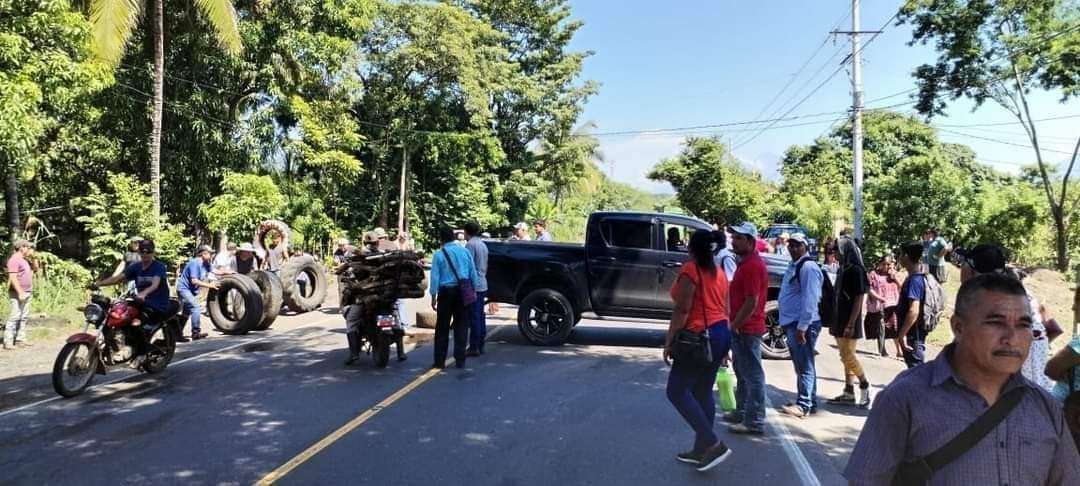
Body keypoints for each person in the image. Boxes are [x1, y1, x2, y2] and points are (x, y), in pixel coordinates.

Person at [844, 273, 1080, 485]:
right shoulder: (905, 399)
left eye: (1023, 325)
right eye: (995, 322)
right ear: (958, 327)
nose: (1012, 338)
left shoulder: (1044, 409)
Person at [663, 230, 733, 471]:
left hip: (699, 336)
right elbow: (726, 309)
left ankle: (713, 443)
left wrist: (669, 341)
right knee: (702, 391)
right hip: (720, 333)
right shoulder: (721, 274)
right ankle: (701, 448)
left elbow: (682, 310)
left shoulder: (691, 271)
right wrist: (725, 344)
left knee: (676, 391)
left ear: (692, 248)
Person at [956, 244, 1056, 392]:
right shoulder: (1019, 294)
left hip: (1017, 397)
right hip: (1037, 391)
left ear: (970, 270)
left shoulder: (984, 304)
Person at [723, 222, 769, 435]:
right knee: (742, 373)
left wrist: (735, 325)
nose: (734, 240)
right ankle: (742, 411)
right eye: (734, 237)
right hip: (743, 327)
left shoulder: (751, 266)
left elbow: (751, 302)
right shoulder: (746, 263)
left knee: (752, 375)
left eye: (739, 238)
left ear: (750, 241)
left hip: (748, 328)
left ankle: (755, 420)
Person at [777, 233, 823, 418]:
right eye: (791, 245)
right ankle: (808, 401)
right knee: (803, 364)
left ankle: (804, 404)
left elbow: (811, 299)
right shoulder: (795, 265)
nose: (793, 248)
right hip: (794, 322)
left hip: (803, 324)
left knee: (804, 365)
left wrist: (802, 327)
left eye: (798, 245)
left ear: (805, 246)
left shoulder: (808, 267)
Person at [828, 235, 872, 407]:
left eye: (837, 251)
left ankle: (864, 384)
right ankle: (848, 391)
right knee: (844, 355)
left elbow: (859, 297)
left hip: (849, 319)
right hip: (840, 317)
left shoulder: (856, 270)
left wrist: (851, 323)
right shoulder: (843, 268)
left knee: (848, 355)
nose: (835, 255)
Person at [429, 225, 478, 369]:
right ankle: (460, 360)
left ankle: (439, 361)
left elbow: (435, 278)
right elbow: (472, 273)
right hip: (462, 292)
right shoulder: (465, 252)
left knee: (442, 328)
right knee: (461, 326)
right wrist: (473, 290)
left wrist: (433, 296)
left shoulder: (439, 254)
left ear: (441, 239)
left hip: (446, 293)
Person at [94, 239, 173, 325]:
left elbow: (155, 285)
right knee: (118, 316)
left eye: (148, 251)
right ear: (139, 252)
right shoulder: (135, 267)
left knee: (136, 323)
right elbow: (116, 279)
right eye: (143, 251)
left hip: (157, 304)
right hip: (140, 303)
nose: (145, 254)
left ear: (153, 252)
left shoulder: (159, 267)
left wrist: (144, 293)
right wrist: (98, 284)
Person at [895, 242, 930, 368]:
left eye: (900, 254)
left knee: (917, 374)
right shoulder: (916, 278)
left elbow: (914, 310)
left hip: (913, 336)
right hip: (913, 335)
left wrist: (902, 334)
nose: (898, 257)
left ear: (906, 256)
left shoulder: (915, 280)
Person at [174, 245, 219, 341]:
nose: (212, 255)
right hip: (184, 289)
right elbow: (194, 281)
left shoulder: (206, 263)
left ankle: (176, 334)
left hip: (191, 291)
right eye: (210, 253)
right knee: (195, 307)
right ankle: (196, 333)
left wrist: (230, 272)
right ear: (203, 254)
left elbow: (216, 271)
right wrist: (210, 286)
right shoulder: (194, 263)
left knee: (186, 312)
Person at [866, 255, 902, 358]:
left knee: (895, 328)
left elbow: (902, 287)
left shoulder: (893, 275)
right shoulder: (874, 274)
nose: (886, 266)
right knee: (881, 327)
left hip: (893, 304)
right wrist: (879, 298)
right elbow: (869, 289)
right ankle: (882, 349)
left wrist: (895, 278)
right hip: (880, 305)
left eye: (888, 264)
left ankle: (899, 350)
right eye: (884, 264)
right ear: (880, 264)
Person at [3, 240, 34, 350]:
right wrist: (20, 292)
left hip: (27, 291)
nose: (29, 249)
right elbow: (13, 277)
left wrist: (34, 260)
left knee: (23, 316)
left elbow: (35, 270)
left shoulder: (24, 260)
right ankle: (8, 341)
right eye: (28, 247)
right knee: (15, 316)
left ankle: (20, 339)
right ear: (22, 247)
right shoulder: (14, 260)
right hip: (17, 292)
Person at [464, 222, 489, 357]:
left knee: (474, 316)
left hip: (475, 285)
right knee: (480, 315)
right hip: (483, 282)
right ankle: (481, 344)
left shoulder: (470, 245)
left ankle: (474, 346)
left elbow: (468, 266)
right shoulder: (483, 245)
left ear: (467, 232)